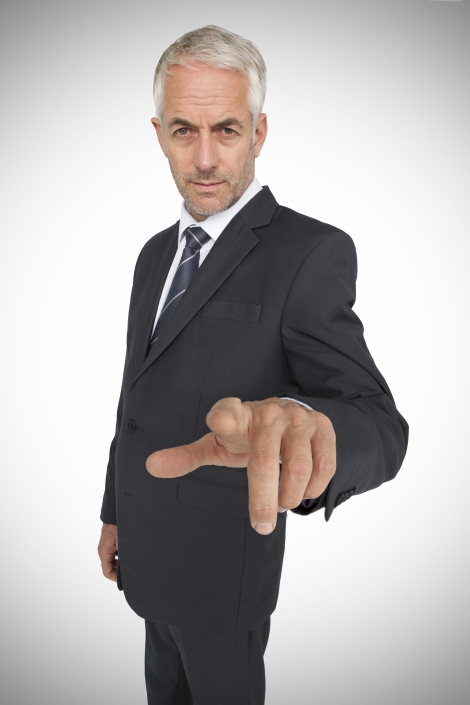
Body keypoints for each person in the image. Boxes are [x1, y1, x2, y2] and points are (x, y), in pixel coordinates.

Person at [97, 25, 408, 705]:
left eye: (227, 130)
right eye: (184, 130)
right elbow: (135, 394)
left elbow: (380, 424)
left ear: (259, 133)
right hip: (146, 556)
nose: (205, 158)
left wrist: (310, 425)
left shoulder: (309, 253)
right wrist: (115, 510)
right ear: (159, 134)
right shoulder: (154, 254)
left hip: (223, 570)